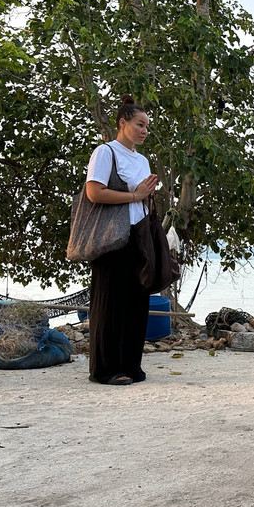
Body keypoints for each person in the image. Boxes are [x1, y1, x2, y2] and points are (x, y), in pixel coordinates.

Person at [83, 96, 159, 386]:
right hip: (112, 237)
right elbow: (94, 192)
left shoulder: (142, 160)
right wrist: (134, 195)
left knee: (136, 301)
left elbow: (142, 198)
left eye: (147, 126)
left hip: (139, 234)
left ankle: (130, 365)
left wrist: (145, 198)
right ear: (122, 123)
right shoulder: (105, 152)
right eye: (140, 124)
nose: (144, 131)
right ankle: (106, 369)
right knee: (110, 302)